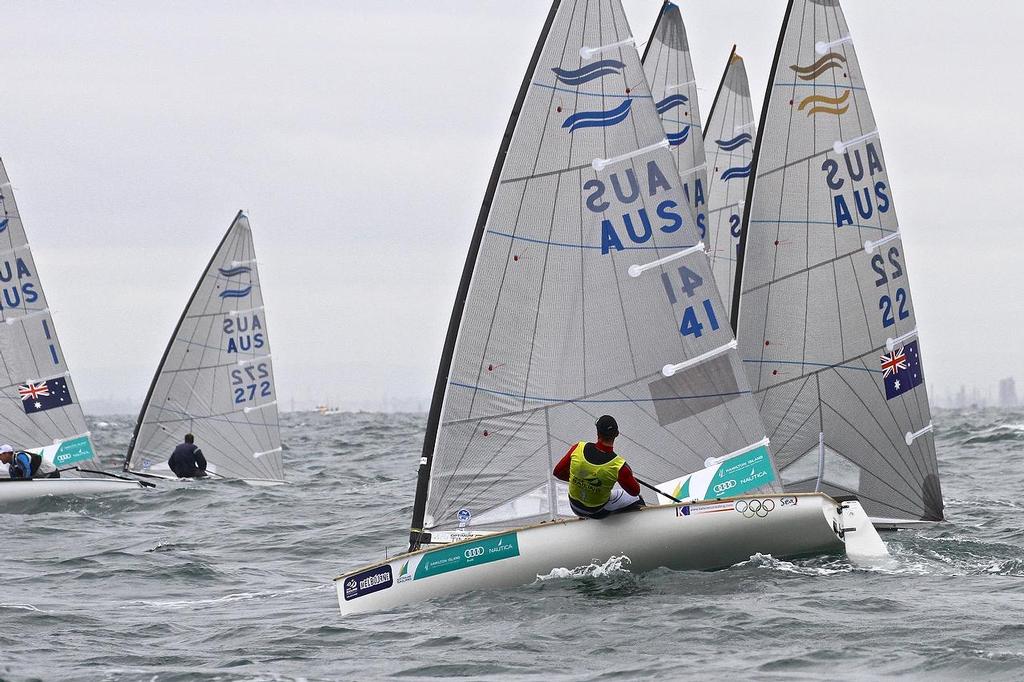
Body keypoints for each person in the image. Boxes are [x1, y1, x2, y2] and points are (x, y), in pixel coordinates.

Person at [552, 415, 644, 518]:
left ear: (598, 433)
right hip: (597, 511)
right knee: (637, 499)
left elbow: (557, 472)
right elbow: (635, 491)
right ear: (617, 434)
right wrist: (628, 475)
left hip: (574, 506)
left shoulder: (578, 448)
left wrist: (580, 481)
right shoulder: (619, 466)